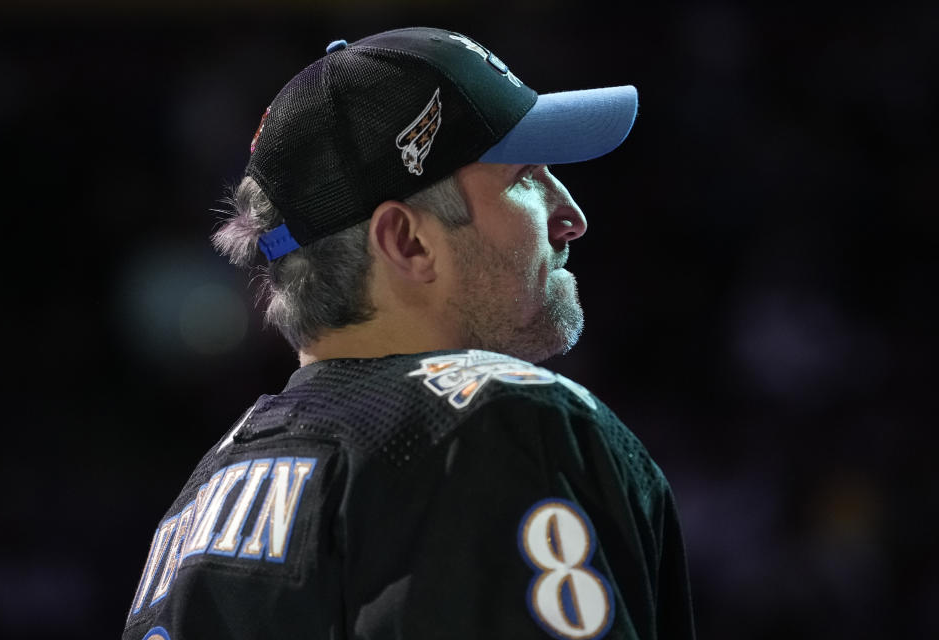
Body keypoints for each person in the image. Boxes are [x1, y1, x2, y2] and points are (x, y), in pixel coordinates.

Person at [123, 27, 695, 640]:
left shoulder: (198, 501)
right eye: (526, 176)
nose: (572, 216)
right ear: (408, 240)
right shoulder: (494, 421)